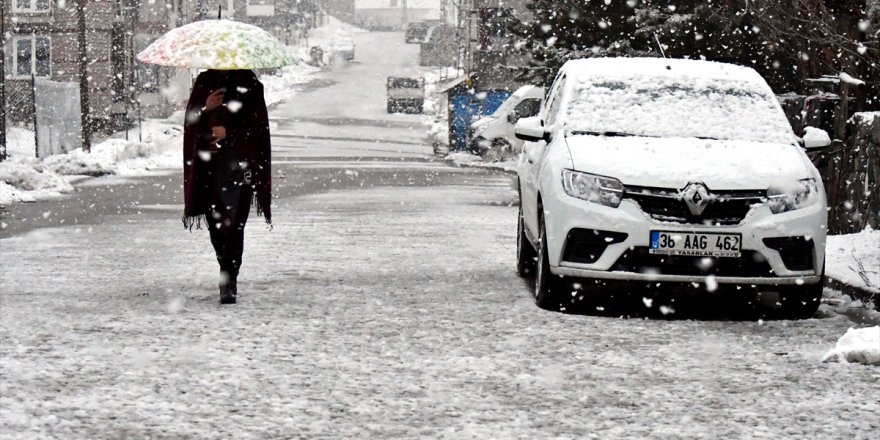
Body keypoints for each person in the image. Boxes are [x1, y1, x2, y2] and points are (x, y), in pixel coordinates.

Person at [183, 69, 272, 304]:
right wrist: (206, 108)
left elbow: (258, 127)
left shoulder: (248, 83)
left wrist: (230, 131)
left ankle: (229, 279)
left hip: (240, 167)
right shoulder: (205, 82)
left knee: (235, 223)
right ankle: (225, 269)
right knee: (217, 224)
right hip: (210, 167)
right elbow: (190, 122)